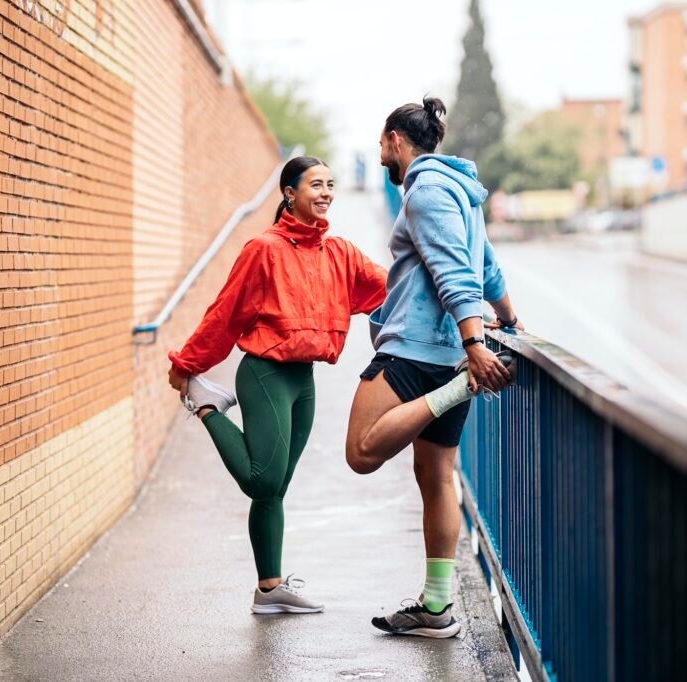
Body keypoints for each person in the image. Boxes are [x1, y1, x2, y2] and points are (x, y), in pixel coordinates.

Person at [167, 156, 387, 615]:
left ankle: (269, 588)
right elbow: (225, 312)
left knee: (276, 488)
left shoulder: (339, 253)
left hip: (304, 382)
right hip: (265, 373)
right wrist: (188, 366)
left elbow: (393, 289)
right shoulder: (263, 249)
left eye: (331, 184)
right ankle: (205, 404)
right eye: (315, 185)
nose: (326, 193)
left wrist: (461, 310)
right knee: (262, 480)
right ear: (289, 193)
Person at [344, 97, 523, 638]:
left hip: (418, 351)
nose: (381, 157)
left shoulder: (424, 192)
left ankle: (456, 390)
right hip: (445, 353)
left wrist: (474, 344)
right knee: (435, 476)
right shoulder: (462, 193)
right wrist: (509, 320)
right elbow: (484, 263)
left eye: (381, 146)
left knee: (361, 451)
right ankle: (437, 607)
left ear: (397, 140)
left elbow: (453, 271)